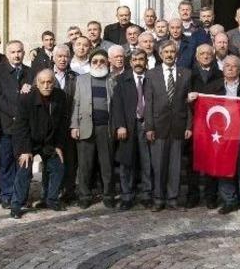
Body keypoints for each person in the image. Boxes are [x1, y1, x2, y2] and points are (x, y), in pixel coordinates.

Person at [12, 69, 68, 218]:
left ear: (54, 83)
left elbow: (63, 123)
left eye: (49, 82)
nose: (46, 85)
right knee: (24, 169)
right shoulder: (26, 98)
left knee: (58, 167)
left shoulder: (60, 96)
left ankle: (51, 199)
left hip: (49, 141)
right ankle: (17, 204)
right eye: (42, 82)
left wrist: (58, 146)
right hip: (29, 141)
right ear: (36, 83)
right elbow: (21, 126)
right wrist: (25, 150)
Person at [143, 41, 192, 210]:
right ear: (161, 54)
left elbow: (189, 104)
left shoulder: (186, 74)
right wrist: (149, 127)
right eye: (166, 52)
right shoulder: (152, 74)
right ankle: (158, 198)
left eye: (172, 52)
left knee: (175, 165)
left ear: (176, 54)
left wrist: (189, 126)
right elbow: (148, 103)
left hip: (178, 125)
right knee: (159, 165)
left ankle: (173, 199)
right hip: (158, 126)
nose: (169, 55)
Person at [0, 41, 32, 208]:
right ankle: (7, 195)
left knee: (22, 162)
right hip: (5, 124)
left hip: (24, 128)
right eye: (13, 52)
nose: (16, 55)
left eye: (19, 51)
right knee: (5, 162)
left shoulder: (29, 72)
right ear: (7, 54)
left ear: (24, 53)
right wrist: (16, 113)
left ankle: (21, 195)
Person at [70, 50, 116, 208]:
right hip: (85, 127)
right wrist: (74, 125)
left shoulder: (112, 79)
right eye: (95, 61)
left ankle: (108, 195)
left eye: (102, 61)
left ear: (107, 63)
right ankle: (84, 196)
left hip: (106, 128)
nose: (98, 64)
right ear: (90, 63)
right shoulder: (81, 79)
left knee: (107, 164)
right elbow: (76, 103)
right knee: (85, 165)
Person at [212, 56, 240, 214]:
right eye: (227, 66)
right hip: (222, 135)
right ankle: (229, 201)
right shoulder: (214, 87)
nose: (230, 68)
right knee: (225, 169)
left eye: (234, 66)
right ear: (222, 68)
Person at [111, 50, 154, 210]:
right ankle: (126, 196)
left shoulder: (152, 78)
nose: (138, 62)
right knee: (126, 162)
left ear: (146, 61)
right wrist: (120, 125)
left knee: (146, 161)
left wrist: (151, 124)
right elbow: (117, 105)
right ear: (130, 62)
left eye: (141, 59)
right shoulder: (122, 79)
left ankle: (147, 195)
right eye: (135, 60)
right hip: (128, 125)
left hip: (146, 125)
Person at [187, 44, 225, 208]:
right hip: (194, 123)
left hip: (214, 126)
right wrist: (188, 98)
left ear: (213, 55)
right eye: (202, 53)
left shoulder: (221, 75)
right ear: (197, 57)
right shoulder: (189, 75)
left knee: (212, 160)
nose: (205, 56)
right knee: (192, 162)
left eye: (208, 53)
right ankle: (193, 195)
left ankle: (211, 196)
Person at [44, 44, 78, 203]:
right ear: (53, 58)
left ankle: (68, 193)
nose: (63, 59)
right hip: (50, 127)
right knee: (50, 161)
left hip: (68, 125)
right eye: (60, 56)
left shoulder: (75, 77)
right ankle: (48, 194)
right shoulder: (45, 75)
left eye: (66, 56)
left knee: (70, 161)